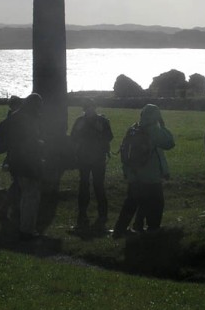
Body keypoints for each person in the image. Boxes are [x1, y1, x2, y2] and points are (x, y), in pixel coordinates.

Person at [113, 104, 174, 237]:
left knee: (132, 202)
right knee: (156, 203)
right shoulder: (154, 130)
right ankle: (153, 229)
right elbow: (170, 143)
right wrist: (162, 125)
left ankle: (120, 229)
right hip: (150, 175)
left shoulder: (133, 128)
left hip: (134, 174)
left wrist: (128, 172)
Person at [4, 93, 46, 240]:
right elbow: (30, 142)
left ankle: (22, 225)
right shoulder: (29, 119)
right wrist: (40, 144)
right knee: (31, 196)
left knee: (24, 194)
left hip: (17, 162)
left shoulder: (15, 117)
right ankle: (27, 229)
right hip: (29, 163)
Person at [69, 99, 113, 231]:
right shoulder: (81, 121)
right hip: (85, 157)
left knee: (98, 185)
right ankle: (83, 214)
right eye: (88, 108)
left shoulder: (102, 121)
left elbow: (109, 137)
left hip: (97, 158)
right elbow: (73, 138)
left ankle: (102, 214)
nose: (90, 111)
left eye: (91, 108)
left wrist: (100, 131)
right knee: (84, 185)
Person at [0, 95, 23, 222]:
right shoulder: (15, 120)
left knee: (17, 183)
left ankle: (9, 209)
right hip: (16, 156)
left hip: (12, 156)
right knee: (17, 183)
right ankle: (5, 208)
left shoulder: (9, 119)